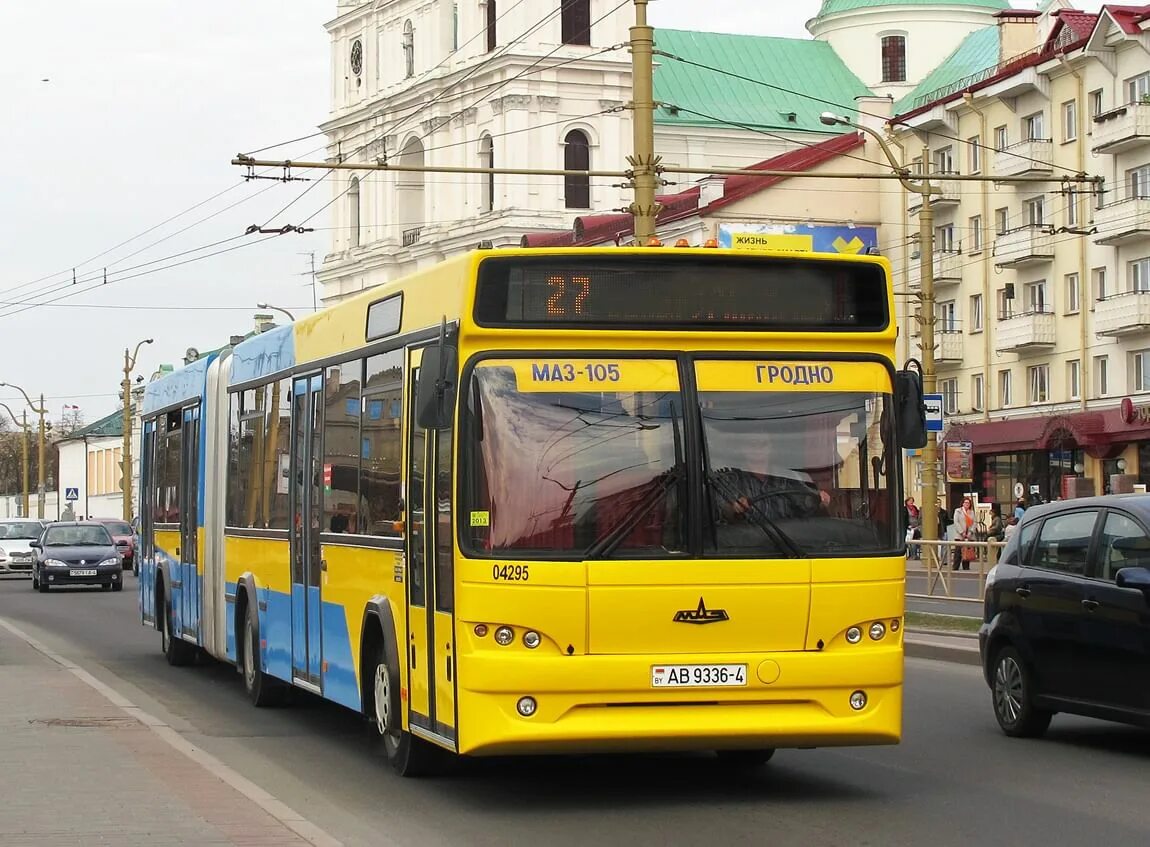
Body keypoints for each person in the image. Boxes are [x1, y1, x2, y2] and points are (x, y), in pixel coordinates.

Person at [952, 496, 976, 571]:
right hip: (960, 535)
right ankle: (955, 566)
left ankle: (966, 566)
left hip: (969, 535)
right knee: (958, 551)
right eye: (965, 502)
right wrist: (962, 532)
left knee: (967, 551)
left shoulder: (971, 512)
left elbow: (974, 523)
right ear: (962, 503)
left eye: (968, 503)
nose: (967, 504)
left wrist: (970, 532)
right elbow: (956, 522)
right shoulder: (958, 511)